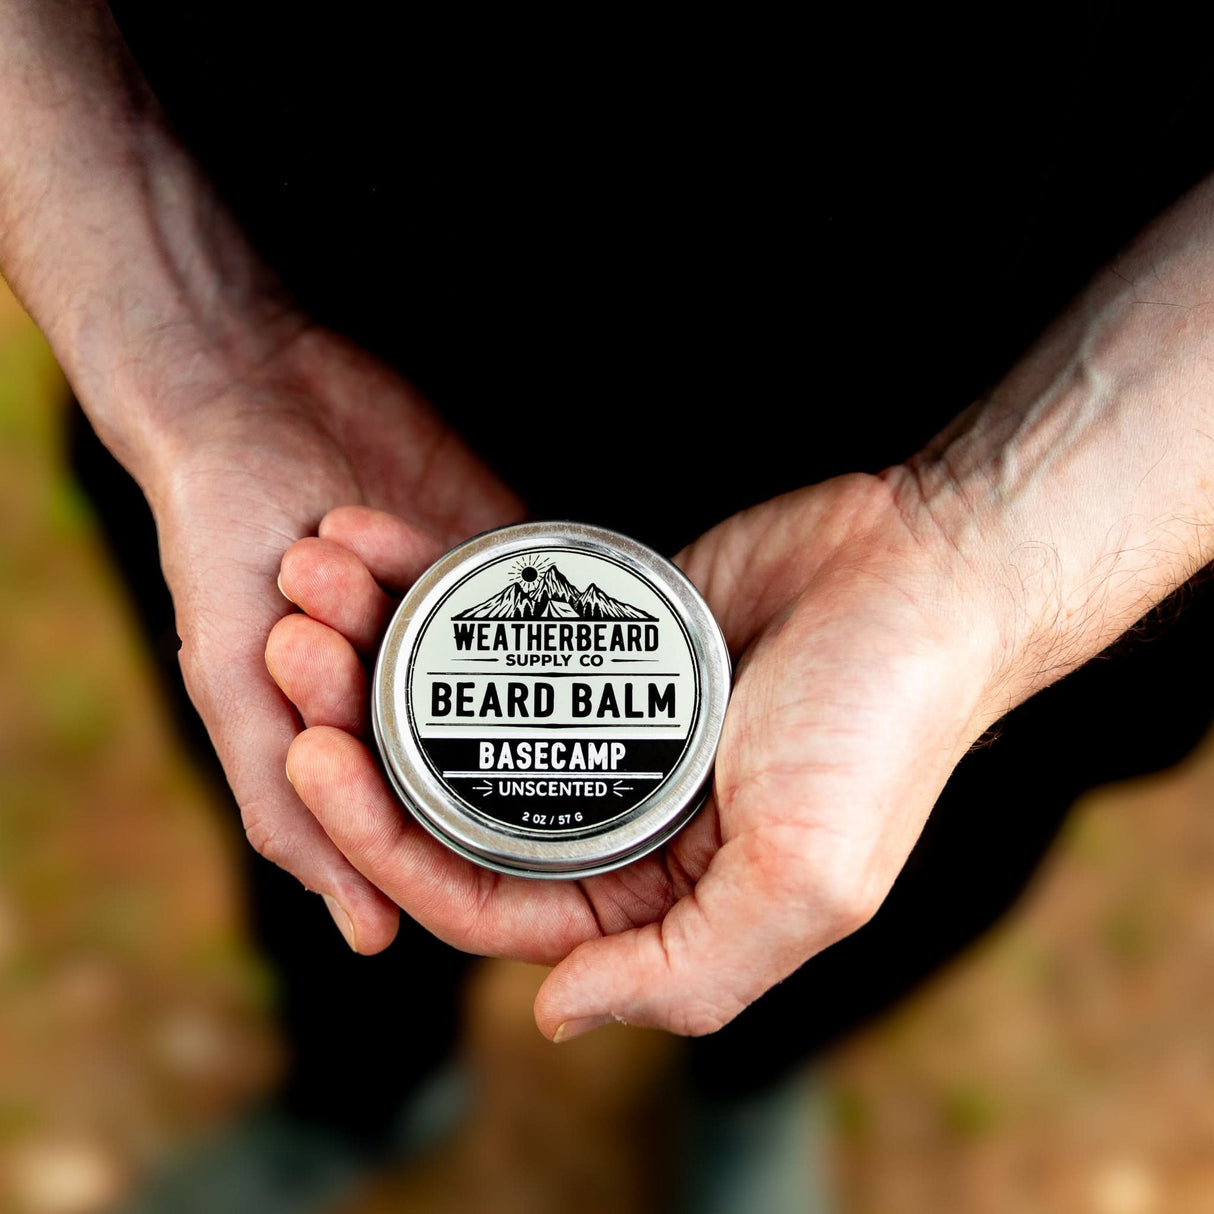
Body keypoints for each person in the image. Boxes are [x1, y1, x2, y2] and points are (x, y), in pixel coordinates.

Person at [6, 0, 1214, 1162]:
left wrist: (993, 539)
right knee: (320, 839)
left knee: (877, 884)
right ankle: (364, 1088)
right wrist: (180, 324)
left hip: (1060, 466)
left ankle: (752, 1078)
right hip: (297, 410)